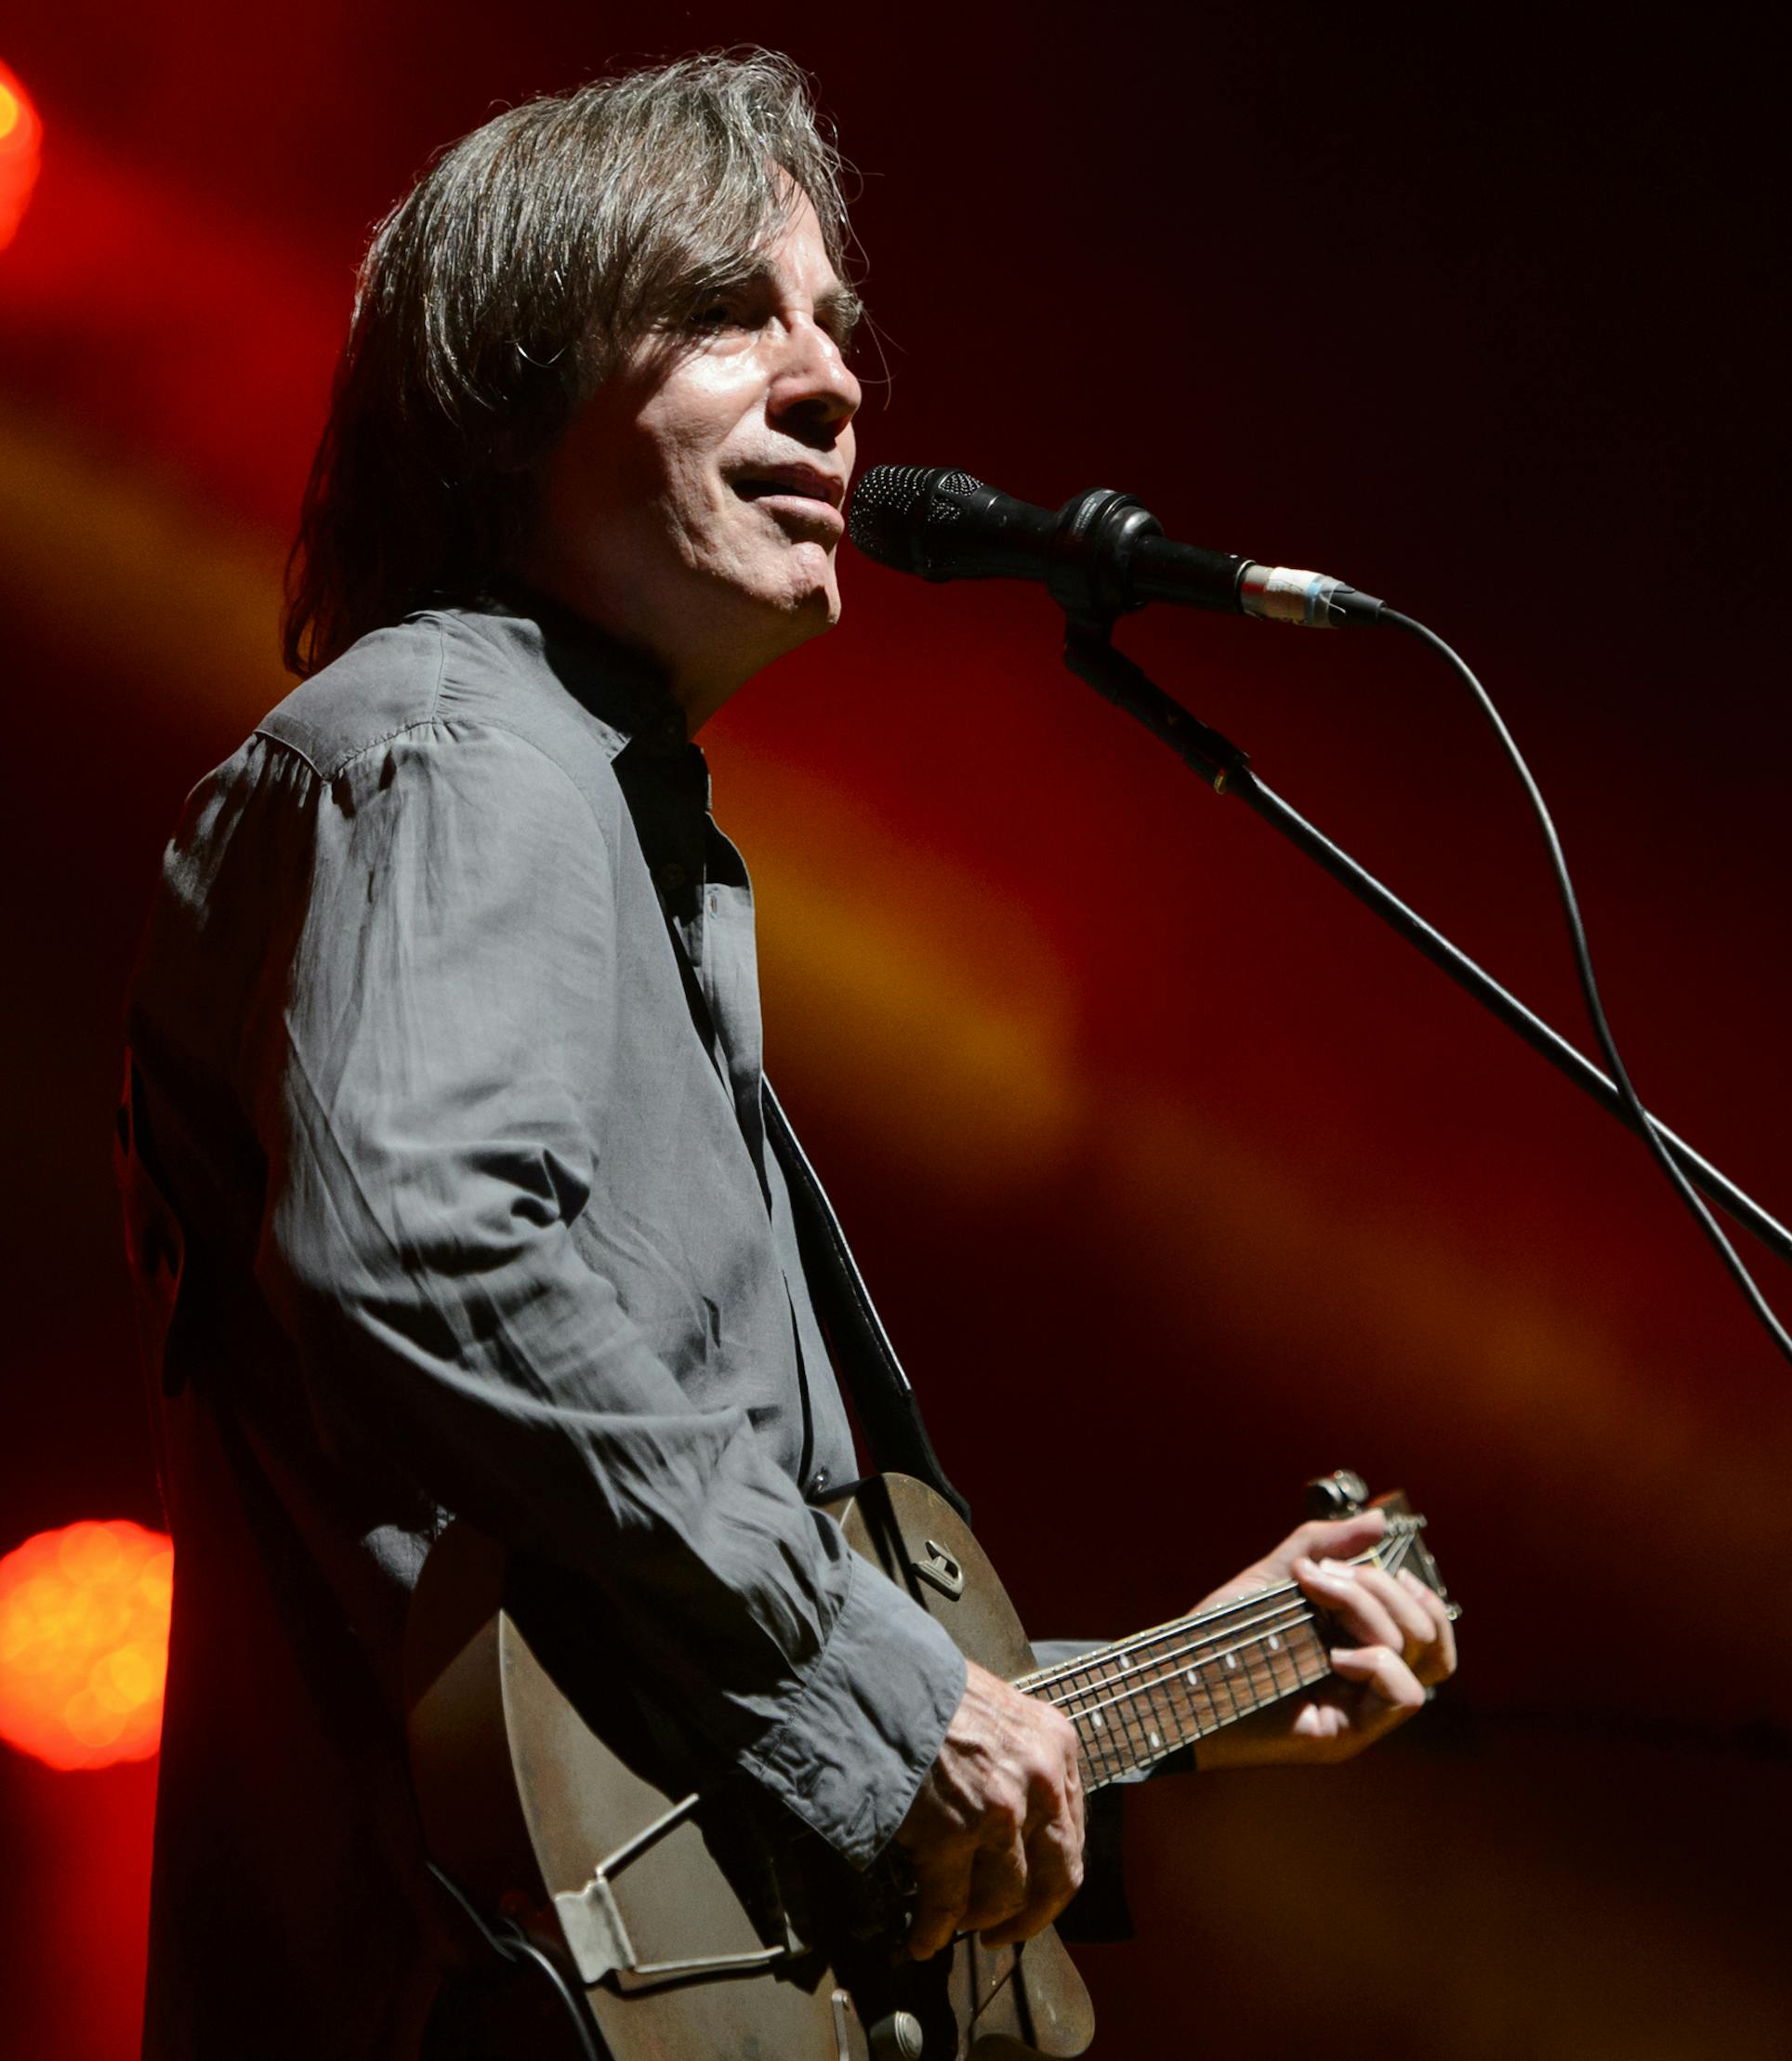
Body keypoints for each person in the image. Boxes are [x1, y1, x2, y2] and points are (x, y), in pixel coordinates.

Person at [116, 50, 1456, 2059]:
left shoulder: (599, 815)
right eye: (732, 314)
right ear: (509, 382)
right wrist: (888, 1679)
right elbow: (427, 1245)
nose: (833, 381)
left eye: (836, 326)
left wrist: (1193, 1680)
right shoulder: (463, 753)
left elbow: (672, 1698)